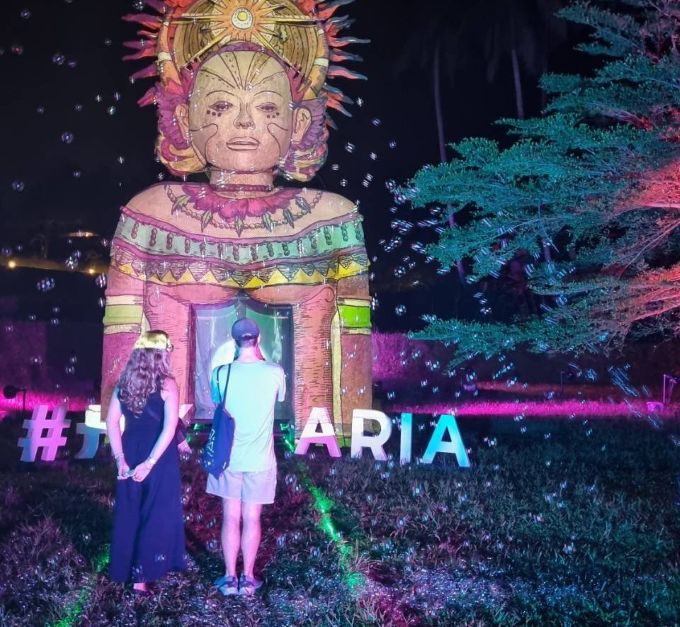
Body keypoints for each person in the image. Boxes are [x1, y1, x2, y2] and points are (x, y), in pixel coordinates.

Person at [207, 318, 286, 596]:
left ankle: (230, 578)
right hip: (260, 460)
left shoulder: (220, 373)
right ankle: (248, 579)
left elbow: (218, 403)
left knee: (230, 516)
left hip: (227, 458)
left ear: (234, 340)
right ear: (258, 339)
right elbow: (279, 398)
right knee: (252, 518)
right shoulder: (274, 371)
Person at [105, 330, 186, 594]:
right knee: (155, 514)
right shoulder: (167, 384)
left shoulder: (124, 383)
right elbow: (170, 428)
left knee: (129, 512)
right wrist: (150, 463)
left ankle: (124, 570)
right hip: (159, 457)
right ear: (161, 354)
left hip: (130, 450)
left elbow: (112, 422)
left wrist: (120, 459)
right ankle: (141, 579)